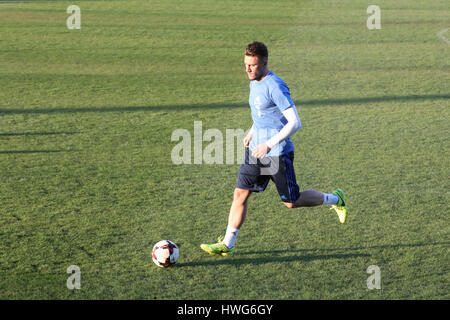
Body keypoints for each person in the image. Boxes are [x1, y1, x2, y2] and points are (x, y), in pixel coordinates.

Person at [200, 41, 348, 256]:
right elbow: (265, 114)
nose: (247, 69)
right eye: (245, 64)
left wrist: (269, 143)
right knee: (240, 194)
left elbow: (294, 122)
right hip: (255, 151)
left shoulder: (275, 86)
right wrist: (252, 131)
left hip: (277, 154)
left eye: (252, 65)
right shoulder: (254, 81)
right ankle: (227, 244)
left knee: (291, 202)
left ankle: (336, 199)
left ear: (265, 63)